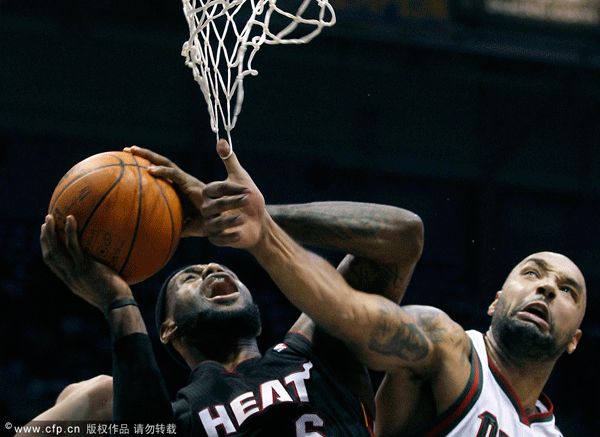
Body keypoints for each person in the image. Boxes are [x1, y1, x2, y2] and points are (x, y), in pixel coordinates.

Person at [30, 142, 424, 437]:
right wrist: (119, 304)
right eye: (188, 277)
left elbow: (402, 236)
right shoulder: (176, 418)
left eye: (213, 266)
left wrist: (250, 220)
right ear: (168, 329)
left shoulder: (319, 354)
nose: (211, 266)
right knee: (92, 396)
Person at [203, 139, 587, 436]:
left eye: (568, 290)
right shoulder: (444, 345)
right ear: (495, 302)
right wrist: (263, 233)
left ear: (574, 339)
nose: (548, 288)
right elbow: (347, 312)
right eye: (532, 274)